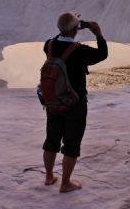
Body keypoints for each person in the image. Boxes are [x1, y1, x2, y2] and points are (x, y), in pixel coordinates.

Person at [42, 11, 108, 192]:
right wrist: (98, 34)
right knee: (71, 143)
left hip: (53, 102)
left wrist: (67, 27)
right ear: (76, 29)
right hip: (74, 103)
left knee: (52, 139)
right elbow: (102, 54)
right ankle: (65, 183)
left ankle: (48, 177)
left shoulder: (49, 45)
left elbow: (58, 39)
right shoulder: (80, 51)